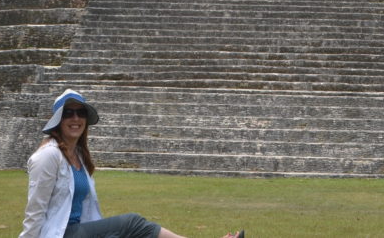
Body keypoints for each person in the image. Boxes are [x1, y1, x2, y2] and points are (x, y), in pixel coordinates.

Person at [20, 88, 243, 238]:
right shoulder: (48, 155)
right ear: (58, 120)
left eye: (80, 113)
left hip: (79, 230)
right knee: (131, 222)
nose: (75, 119)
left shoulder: (78, 154)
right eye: (68, 113)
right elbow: (35, 211)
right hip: (60, 233)